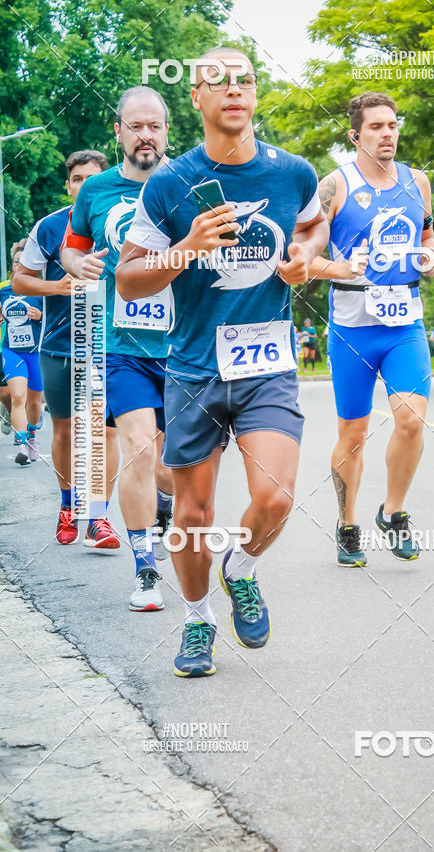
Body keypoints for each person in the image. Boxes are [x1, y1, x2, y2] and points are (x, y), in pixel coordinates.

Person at [116, 46, 328, 676]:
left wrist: (304, 256)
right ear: (197, 97)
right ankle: (198, 619)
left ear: (255, 95)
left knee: (276, 498)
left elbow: (313, 227)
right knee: (191, 516)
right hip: (194, 369)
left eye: (245, 81)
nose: (234, 90)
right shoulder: (169, 183)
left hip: (266, 365)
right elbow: (128, 279)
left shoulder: (292, 174)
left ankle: (241, 567)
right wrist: (186, 247)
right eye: (219, 81)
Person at [307, 91, 434, 566]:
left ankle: (393, 512)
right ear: (355, 135)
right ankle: (347, 525)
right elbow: (300, 259)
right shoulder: (334, 186)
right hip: (353, 328)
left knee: (411, 420)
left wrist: (432, 259)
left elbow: (427, 238)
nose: (388, 133)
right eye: (376, 127)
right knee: (353, 434)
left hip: (405, 323)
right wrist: (340, 268)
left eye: (392, 125)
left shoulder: (417, 181)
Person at [61, 86, 174, 610]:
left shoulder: (191, 183)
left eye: (154, 126)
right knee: (140, 449)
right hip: (120, 343)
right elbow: (72, 248)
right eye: (135, 126)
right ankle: (145, 567)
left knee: (174, 465)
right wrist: (75, 263)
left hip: (184, 346)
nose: (145, 135)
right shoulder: (97, 189)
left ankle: (163, 506)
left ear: (167, 131)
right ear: (119, 132)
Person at [13, 150, 121, 545]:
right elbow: (21, 280)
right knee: (66, 431)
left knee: (104, 432)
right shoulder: (50, 226)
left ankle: (98, 517)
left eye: (92, 178)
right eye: (77, 179)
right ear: (68, 185)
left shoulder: (122, 220)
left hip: (110, 345)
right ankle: (67, 506)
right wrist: (56, 287)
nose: (84, 185)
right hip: (59, 345)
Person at [0, 241, 43, 465]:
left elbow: (57, 321)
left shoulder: (43, 289)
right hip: (12, 351)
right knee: (17, 397)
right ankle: (22, 445)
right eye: (17, 261)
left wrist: (42, 317)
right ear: (13, 266)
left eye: (24, 261)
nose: (20, 265)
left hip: (37, 353)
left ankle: (32, 434)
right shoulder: (3, 290)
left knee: (34, 403)